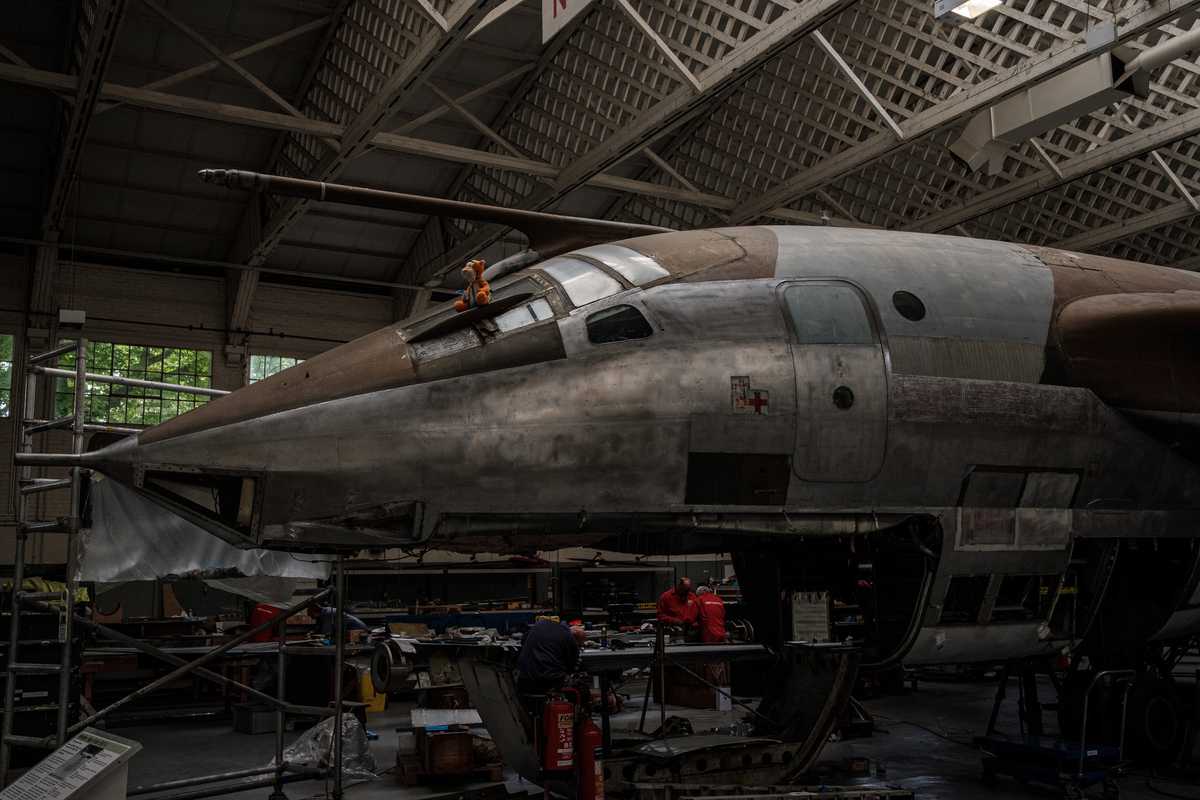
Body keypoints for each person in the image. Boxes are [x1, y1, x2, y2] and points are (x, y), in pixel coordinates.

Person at [515, 619, 587, 694]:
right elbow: (571, 667)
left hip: (524, 678)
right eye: (579, 645)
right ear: (575, 640)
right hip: (549, 681)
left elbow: (523, 640)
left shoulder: (541, 623)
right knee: (581, 687)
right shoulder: (570, 639)